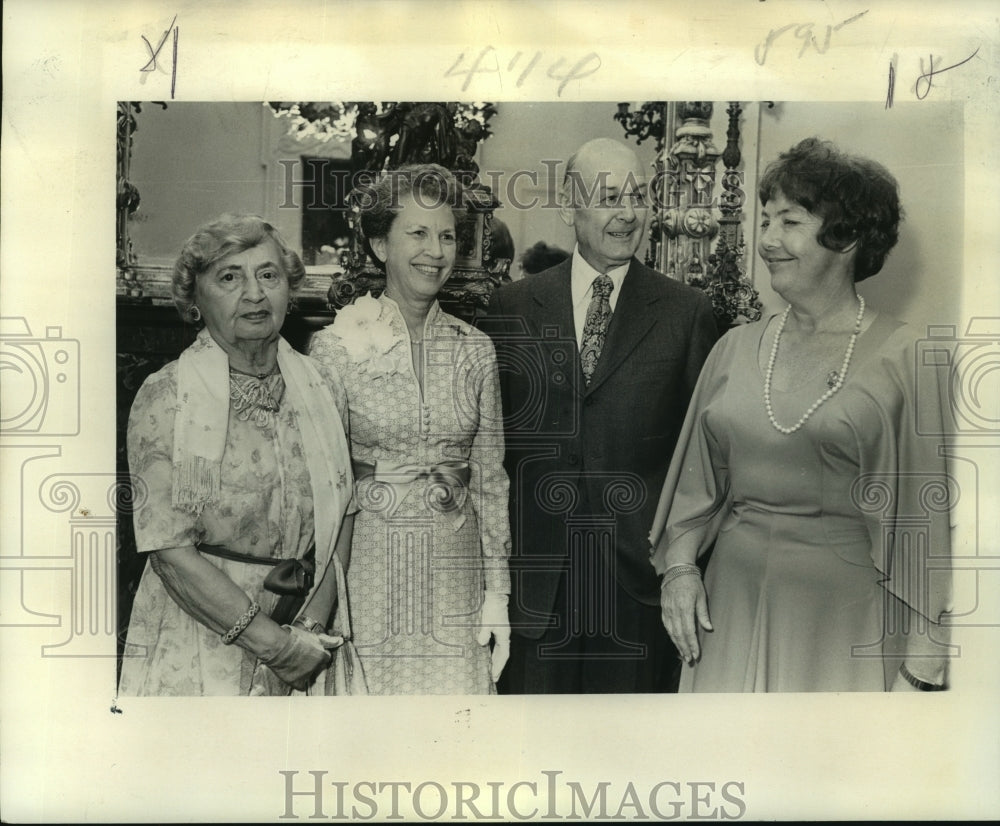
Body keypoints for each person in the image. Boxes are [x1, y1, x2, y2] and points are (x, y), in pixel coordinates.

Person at [650, 138, 954, 692]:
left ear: (847, 236)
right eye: (764, 221)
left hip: (843, 626)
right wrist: (679, 571)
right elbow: (693, 495)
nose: (766, 241)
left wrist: (925, 667)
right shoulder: (734, 348)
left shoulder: (911, 358)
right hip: (728, 616)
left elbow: (925, 532)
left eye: (789, 222)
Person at [482, 138, 718, 693]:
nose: (628, 213)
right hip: (538, 589)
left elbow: (703, 464)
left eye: (638, 196)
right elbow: (494, 454)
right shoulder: (511, 307)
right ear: (570, 207)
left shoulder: (687, 314)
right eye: (610, 196)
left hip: (637, 587)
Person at [119, 214, 357, 696]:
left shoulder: (323, 384)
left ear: (289, 291)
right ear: (195, 299)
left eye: (268, 275)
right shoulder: (167, 395)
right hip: (205, 641)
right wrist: (275, 646)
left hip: (309, 636)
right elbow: (169, 550)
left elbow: (344, 511)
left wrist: (308, 633)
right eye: (230, 277)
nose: (254, 293)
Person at [308, 163, 511, 695]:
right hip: (370, 571)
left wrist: (498, 595)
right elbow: (322, 490)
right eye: (417, 233)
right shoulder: (336, 349)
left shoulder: (475, 350)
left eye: (447, 236)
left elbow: (490, 480)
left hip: (455, 576)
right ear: (379, 244)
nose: (436, 251)